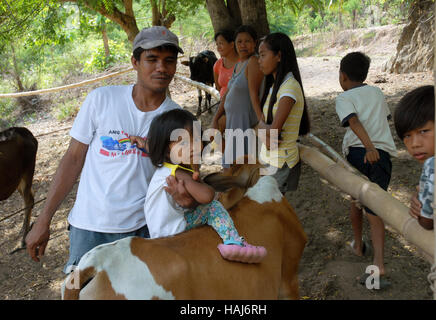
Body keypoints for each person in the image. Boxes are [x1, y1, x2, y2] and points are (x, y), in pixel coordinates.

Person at [25, 26, 196, 273]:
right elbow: (73, 159)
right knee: (82, 292)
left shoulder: (181, 120)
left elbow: (189, 176)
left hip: (144, 229)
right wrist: (43, 219)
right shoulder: (101, 99)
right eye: (152, 59)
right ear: (135, 62)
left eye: (169, 61)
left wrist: (185, 199)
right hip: (89, 227)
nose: (161, 68)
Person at [132, 108, 267, 263]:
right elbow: (207, 196)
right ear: (167, 151)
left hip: (159, 230)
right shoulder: (179, 173)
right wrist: (200, 181)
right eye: (183, 142)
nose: (193, 147)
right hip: (173, 229)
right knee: (213, 208)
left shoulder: (166, 168)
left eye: (196, 140)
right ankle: (234, 242)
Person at [335, 52, 397, 287]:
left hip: (361, 154)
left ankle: (378, 266)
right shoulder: (376, 92)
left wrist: (369, 147)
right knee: (361, 201)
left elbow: (354, 122)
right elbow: (384, 118)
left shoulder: (343, 98)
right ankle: (358, 245)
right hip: (383, 158)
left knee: (369, 208)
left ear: (342, 76)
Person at [256, 32, 310, 194]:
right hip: (268, 159)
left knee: (268, 212)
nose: (259, 61)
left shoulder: (289, 88)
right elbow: (267, 130)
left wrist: (260, 128)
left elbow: (272, 131)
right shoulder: (275, 86)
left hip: (280, 163)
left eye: (263, 55)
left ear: (279, 56)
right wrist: (262, 130)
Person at [211, 25, 264, 169]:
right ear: (235, 44)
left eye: (247, 41)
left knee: (241, 168)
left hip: (244, 122)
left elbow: (254, 95)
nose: (243, 45)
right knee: (232, 167)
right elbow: (227, 94)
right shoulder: (238, 65)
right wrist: (216, 119)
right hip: (233, 123)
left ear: (255, 43)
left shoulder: (253, 62)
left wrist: (262, 122)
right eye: (239, 41)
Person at [394, 85, 435, 230]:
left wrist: (422, 206)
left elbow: (427, 222)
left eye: (424, 131)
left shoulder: (434, 165)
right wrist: (421, 195)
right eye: (407, 135)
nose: (415, 144)